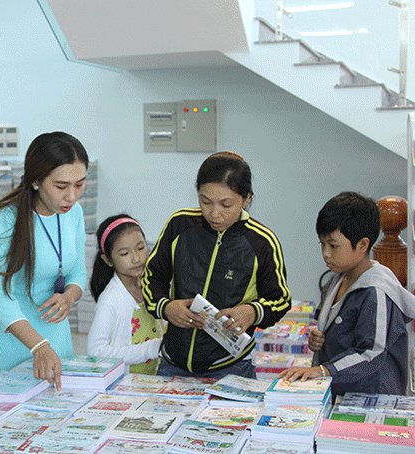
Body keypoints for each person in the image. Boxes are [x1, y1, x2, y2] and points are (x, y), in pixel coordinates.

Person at [142, 151, 291, 379]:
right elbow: (152, 277)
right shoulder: (180, 225)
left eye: (226, 204)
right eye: (205, 201)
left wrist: (252, 312)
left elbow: (280, 299)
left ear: (246, 198)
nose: (215, 214)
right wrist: (166, 307)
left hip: (231, 367)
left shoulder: (261, 242)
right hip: (173, 363)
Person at [0, 131, 88, 390]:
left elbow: (78, 273)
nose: (71, 196)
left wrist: (68, 297)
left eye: (80, 184)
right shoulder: (4, 219)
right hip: (15, 338)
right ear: (36, 180)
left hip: (56, 336)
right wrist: (38, 345)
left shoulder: (74, 213)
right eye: (61, 186)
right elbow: (1, 296)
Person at [278, 191, 415, 396]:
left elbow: (371, 353)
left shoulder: (376, 291)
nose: (326, 253)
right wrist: (320, 340)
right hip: (341, 392)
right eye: (322, 244)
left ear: (362, 245)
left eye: (333, 245)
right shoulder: (337, 279)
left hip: (371, 396)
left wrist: (323, 370)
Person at [87, 214, 163, 374]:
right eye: (124, 254)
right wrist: (151, 349)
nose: (136, 258)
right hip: (125, 388)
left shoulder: (149, 284)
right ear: (108, 260)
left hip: (153, 382)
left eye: (141, 248)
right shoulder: (110, 300)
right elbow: (95, 352)